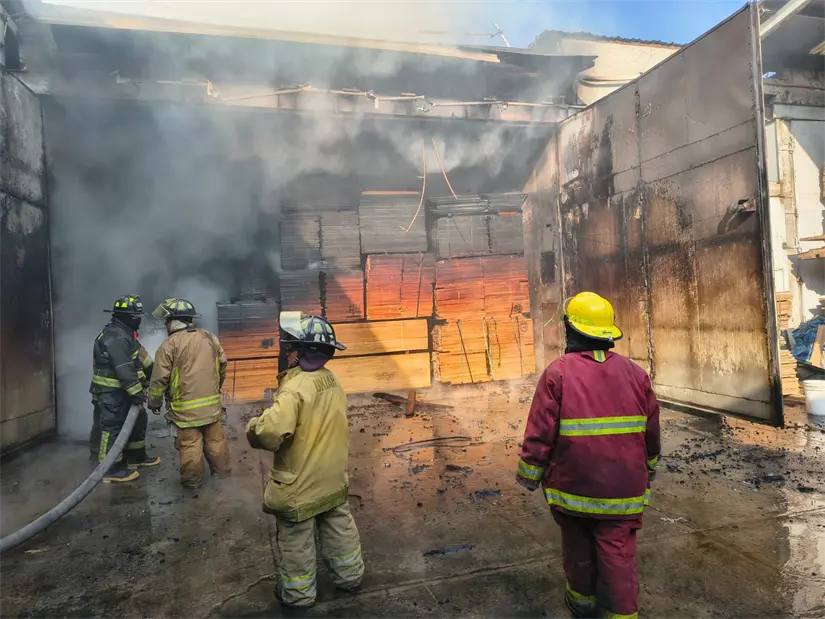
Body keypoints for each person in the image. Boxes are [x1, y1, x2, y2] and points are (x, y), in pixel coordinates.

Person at [516, 292, 660, 619]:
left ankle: (582, 605)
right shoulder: (636, 375)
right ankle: (622, 615)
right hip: (624, 490)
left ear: (570, 329)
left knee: (578, 546)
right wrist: (649, 467)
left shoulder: (558, 373)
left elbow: (540, 431)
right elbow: (651, 432)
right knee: (618, 553)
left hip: (574, 489)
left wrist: (529, 473)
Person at [246, 312, 364, 608]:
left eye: (291, 347)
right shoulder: (331, 380)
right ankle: (350, 578)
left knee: (296, 539)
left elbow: (271, 433)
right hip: (332, 477)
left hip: (300, 485)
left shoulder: (294, 388)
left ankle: (298, 596)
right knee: (339, 525)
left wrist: (253, 427)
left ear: (299, 351)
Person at [147, 298, 231, 489]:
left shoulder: (169, 345)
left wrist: (154, 403)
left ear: (174, 320)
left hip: (185, 409)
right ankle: (223, 477)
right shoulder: (209, 337)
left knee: (191, 445)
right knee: (216, 441)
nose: (165, 324)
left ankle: (193, 484)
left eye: (167, 320)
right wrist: (215, 389)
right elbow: (223, 365)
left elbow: (159, 378)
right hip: (211, 405)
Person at [90, 294, 161, 483]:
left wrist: (153, 377)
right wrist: (138, 393)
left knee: (139, 420)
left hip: (124, 393)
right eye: (136, 316)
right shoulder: (115, 337)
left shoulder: (126, 334)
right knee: (112, 429)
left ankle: (135, 458)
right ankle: (109, 469)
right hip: (111, 394)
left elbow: (142, 360)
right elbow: (124, 370)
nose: (138, 320)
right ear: (126, 317)